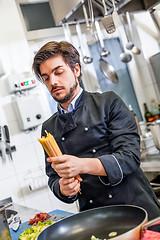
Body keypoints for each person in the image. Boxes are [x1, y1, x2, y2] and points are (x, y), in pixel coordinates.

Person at [33, 41, 160, 221]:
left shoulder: (109, 103)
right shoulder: (49, 128)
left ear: (76, 70)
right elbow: (53, 177)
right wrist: (64, 189)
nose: (53, 81)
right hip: (94, 220)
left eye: (58, 72)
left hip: (136, 211)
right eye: (46, 78)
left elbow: (129, 158)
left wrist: (82, 165)